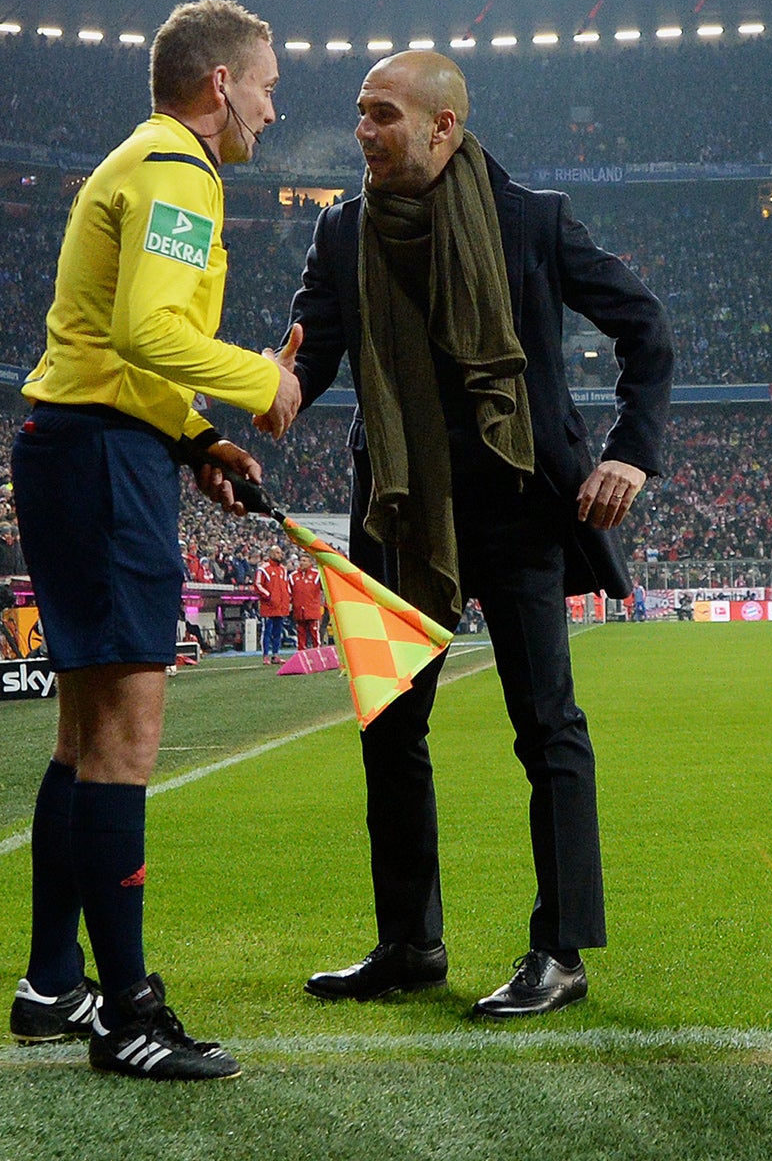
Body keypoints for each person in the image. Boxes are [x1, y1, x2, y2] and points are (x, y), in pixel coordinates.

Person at [276, 50, 671, 1018]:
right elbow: (308, 356)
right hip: (399, 513)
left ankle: (559, 950)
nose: (362, 130)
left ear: (442, 126)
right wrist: (269, 391)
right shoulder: (339, 232)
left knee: (544, 727)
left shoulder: (530, 219)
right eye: (360, 114)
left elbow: (643, 327)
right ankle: (408, 944)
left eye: (381, 114)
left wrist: (630, 453)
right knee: (389, 731)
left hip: (517, 505)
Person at [5, 0, 299, 1081]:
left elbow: (116, 350)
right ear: (219, 82)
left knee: (83, 737)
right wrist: (263, 383)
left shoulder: (136, 160)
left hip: (83, 443)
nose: (272, 106)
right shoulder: (178, 169)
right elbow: (146, 333)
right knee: (123, 738)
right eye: (265, 82)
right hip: (98, 462)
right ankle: (127, 1014)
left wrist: (193, 441)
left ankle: (51, 981)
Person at [254, 546, 291, 663]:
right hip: (268, 607)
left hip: (280, 607)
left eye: (281, 553)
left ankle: (275, 655)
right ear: (271, 554)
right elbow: (258, 585)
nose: (280, 555)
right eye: (277, 553)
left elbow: (286, 587)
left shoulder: (283, 570)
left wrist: (287, 600)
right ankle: (265, 656)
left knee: (277, 632)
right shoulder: (263, 569)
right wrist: (269, 596)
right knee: (267, 631)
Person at [291, 554, 325, 651]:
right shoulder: (293, 576)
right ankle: (301, 653)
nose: (302, 563)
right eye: (301, 560)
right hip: (299, 610)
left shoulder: (317, 574)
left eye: (304, 561)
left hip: (312, 610)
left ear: (310, 563)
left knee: (314, 633)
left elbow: (324, 589)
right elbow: (290, 592)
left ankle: (317, 652)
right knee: (300, 633)